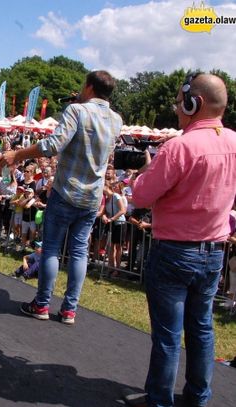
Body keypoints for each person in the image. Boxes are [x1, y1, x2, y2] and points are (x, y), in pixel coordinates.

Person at [129, 73, 236, 407]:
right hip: (213, 250)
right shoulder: (234, 141)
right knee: (202, 328)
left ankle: (159, 400)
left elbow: (143, 196)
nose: (177, 108)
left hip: (175, 251)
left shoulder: (179, 146)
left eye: (179, 101)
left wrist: (147, 171)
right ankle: (197, 398)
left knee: (168, 334)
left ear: (195, 102)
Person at [0, 70, 122, 323]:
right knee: (79, 252)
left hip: (66, 191)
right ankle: (69, 310)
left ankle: (42, 305)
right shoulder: (116, 119)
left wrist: (17, 155)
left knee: (52, 249)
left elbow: (53, 145)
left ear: (88, 87)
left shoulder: (77, 111)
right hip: (91, 198)